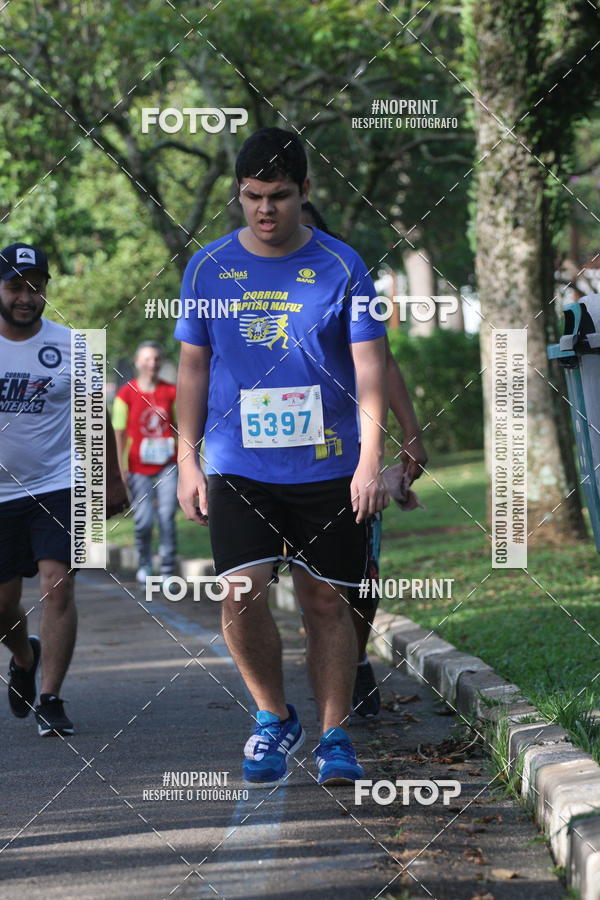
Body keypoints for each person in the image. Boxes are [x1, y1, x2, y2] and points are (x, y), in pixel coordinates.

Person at [175, 127, 389, 787]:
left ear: (305, 193)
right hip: (240, 464)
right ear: (238, 195)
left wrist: (371, 458)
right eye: (252, 197)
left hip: (329, 466)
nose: (266, 210)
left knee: (327, 604)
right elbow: (192, 369)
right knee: (240, 593)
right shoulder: (207, 268)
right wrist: (187, 459)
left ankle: (333, 735)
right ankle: (273, 718)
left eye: (280, 196)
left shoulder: (344, 265)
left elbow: (372, 368)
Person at [299, 202, 428, 718]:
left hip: (351, 455)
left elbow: (384, 361)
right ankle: (328, 672)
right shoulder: (246, 289)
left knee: (361, 571)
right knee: (305, 575)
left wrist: (410, 435)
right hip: (273, 464)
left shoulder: (347, 280)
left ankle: (353, 660)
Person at [0, 242, 127, 736]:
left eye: (35, 287)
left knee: (58, 585)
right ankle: (24, 654)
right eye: (14, 287)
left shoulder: (75, 345)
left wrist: (111, 479)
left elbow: (98, 414)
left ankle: (50, 698)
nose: (25, 297)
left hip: (59, 484)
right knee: (3, 606)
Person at [112, 342, 178, 584]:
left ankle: (168, 569)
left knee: (167, 514)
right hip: (137, 466)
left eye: (157, 359)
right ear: (138, 362)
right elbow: (118, 433)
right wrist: (120, 467)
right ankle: (145, 563)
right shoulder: (125, 394)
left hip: (168, 463)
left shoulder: (171, 392)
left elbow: (180, 428)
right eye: (148, 359)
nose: (153, 364)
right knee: (144, 519)